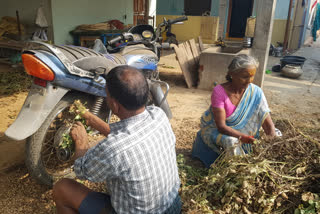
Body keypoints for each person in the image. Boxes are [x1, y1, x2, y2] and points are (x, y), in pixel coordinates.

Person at [53, 65, 181, 214]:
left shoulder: (113, 149)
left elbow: (82, 171)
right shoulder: (158, 115)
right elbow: (127, 134)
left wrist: (81, 142)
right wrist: (91, 118)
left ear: (114, 104)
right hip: (172, 206)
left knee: (62, 188)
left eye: (107, 95)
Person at [192, 54, 276, 168]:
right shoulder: (219, 92)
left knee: (277, 134)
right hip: (219, 130)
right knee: (232, 142)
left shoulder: (256, 92)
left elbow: (268, 123)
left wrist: (272, 139)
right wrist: (243, 137)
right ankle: (236, 169)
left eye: (252, 76)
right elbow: (221, 127)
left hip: (247, 134)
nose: (249, 81)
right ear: (232, 74)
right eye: (244, 76)